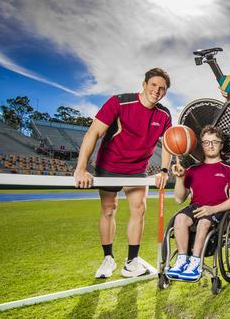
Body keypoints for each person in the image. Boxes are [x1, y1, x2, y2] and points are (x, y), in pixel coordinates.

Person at [74, 68, 172, 279]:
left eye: (162, 88)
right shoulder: (119, 102)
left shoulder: (164, 115)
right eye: (153, 85)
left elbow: (168, 144)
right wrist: (81, 168)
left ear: (165, 93)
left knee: (139, 208)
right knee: (109, 209)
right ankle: (108, 258)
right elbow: (94, 133)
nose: (157, 90)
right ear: (144, 85)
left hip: (137, 169)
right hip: (109, 166)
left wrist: (165, 170)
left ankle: (131, 262)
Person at [166, 125, 230, 280]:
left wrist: (212, 209)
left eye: (215, 141)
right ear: (201, 145)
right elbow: (179, 198)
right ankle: (182, 260)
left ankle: (195, 263)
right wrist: (180, 178)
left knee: (203, 223)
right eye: (206, 142)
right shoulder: (192, 170)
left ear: (221, 145)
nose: (210, 145)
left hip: (218, 210)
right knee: (180, 218)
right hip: (196, 207)